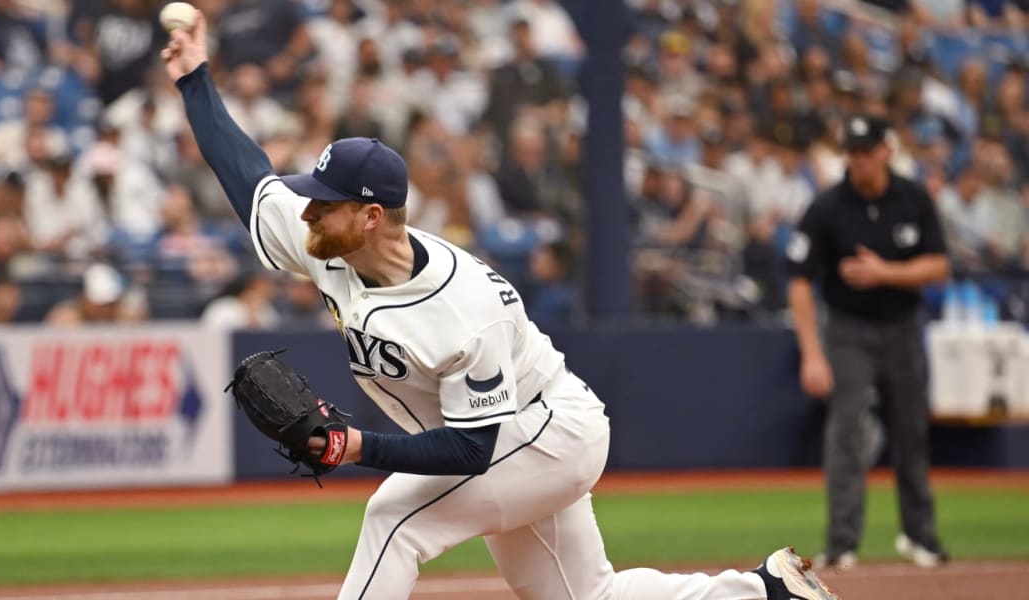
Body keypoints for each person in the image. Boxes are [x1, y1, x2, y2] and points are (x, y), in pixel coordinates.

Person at [162, 11, 837, 600]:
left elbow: (471, 446)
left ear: (369, 216)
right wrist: (195, 78)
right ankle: (767, 590)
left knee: (392, 522)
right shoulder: (324, 241)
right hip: (505, 438)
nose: (306, 206)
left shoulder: (462, 307)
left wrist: (354, 445)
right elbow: (249, 178)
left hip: (548, 431)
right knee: (587, 596)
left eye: (324, 199)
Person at [786, 115, 951, 570]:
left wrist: (886, 273)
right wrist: (812, 353)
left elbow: (939, 265)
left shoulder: (913, 199)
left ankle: (921, 537)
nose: (858, 161)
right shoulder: (827, 207)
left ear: (885, 150)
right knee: (846, 432)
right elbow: (799, 281)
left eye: (865, 151)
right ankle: (841, 543)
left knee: (911, 430)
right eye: (851, 153)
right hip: (847, 329)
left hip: (902, 325)